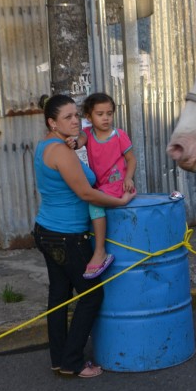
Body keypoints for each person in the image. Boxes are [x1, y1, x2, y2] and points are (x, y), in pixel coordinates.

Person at [33, 94, 135, 378]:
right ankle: (73, 362)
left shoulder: (45, 146)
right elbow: (86, 193)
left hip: (46, 231)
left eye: (76, 115)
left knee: (60, 296)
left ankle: (59, 359)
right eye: (67, 117)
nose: (75, 120)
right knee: (91, 296)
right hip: (67, 237)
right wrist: (120, 202)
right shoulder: (62, 152)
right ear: (52, 122)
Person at [76, 92, 137, 279]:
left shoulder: (119, 135)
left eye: (109, 113)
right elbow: (79, 142)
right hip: (101, 184)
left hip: (117, 183)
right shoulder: (87, 134)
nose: (105, 118)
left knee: (94, 203)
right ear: (89, 117)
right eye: (100, 114)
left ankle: (100, 251)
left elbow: (131, 159)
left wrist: (129, 178)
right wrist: (72, 142)